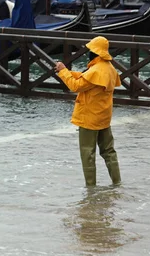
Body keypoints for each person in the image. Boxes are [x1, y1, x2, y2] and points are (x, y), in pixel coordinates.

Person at [55, 36, 122, 187]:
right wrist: (69, 72)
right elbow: (86, 79)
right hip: (104, 117)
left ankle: (91, 188)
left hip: (89, 118)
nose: (88, 53)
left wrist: (63, 72)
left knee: (87, 153)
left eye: (90, 50)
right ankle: (117, 183)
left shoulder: (96, 70)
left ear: (95, 52)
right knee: (109, 151)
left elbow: (75, 86)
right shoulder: (109, 69)